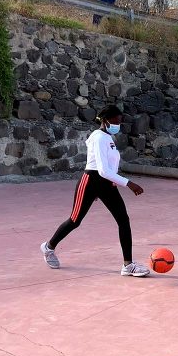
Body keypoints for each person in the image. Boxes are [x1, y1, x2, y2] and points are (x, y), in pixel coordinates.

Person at [40, 105, 151, 276]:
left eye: (120, 121)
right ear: (106, 121)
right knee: (75, 220)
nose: (118, 124)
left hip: (107, 183)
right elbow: (102, 170)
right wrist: (128, 183)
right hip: (90, 181)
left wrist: (113, 183)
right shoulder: (98, 137)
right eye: (116, 121)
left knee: (123, 219)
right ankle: (49, 247)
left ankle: (128, 265)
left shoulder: (108, 137)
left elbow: (109, 168)